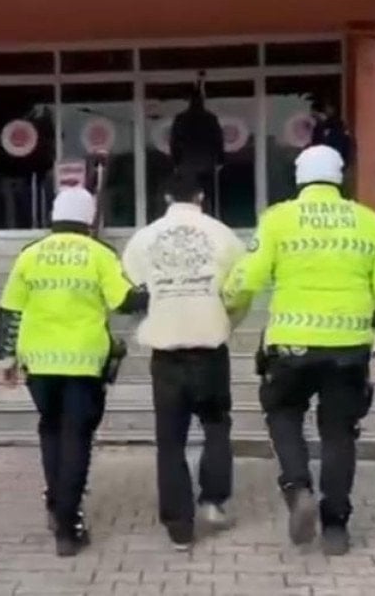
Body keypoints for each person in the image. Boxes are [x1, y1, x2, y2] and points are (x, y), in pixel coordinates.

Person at [223, 145, 375, 556]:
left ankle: (297, 486)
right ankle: (336, 525)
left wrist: (227, 305)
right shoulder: (369, 221)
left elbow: (246, 278)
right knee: (339, 433)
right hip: (349, 347)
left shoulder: (279, 218)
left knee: (283, 413)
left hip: (291, 345)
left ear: (299, 176)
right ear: (340, 177)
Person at [0, 187, 148, 557]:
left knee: (51, 429)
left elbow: (10, 310)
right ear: (90, 218)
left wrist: (5, 359)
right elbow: (124, 301)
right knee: (77, 437)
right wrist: (154, 290)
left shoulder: (30, 254)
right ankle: (68, 525)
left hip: (40, 363)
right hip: (83, 361)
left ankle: (55, 501)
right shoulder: (99, 254)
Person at [121, 171, 246, 551]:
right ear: (201, 196)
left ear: (165, 198)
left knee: (170, 440)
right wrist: (226, 320)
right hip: (210, 348)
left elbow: (129, 293)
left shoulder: (142, 239)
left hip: (166, 354)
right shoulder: (224, 235)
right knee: (216, 425)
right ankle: (213, 500)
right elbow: (240, 289)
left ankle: (179, 527)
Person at [170, 81, 225, 216]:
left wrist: (176, 163)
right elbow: (218, 140)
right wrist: (220, 160)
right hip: (207, 162)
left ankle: (190, 218)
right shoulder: (210, 118)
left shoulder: (181, 119)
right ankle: (207, 217)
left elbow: (174, 142)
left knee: (188, 195)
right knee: (206, 195)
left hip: (187, 163)